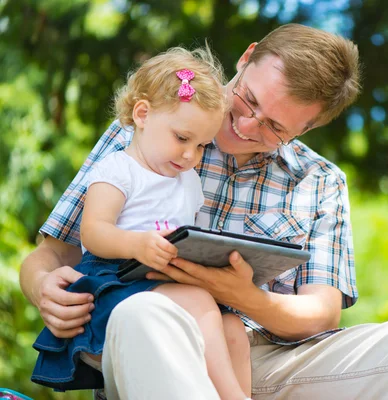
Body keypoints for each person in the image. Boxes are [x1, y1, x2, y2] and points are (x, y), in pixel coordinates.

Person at [21, 23, 388, 399]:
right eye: (247, 99)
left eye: (274, 126)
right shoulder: (150, 132)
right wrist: (43, 288)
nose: (245, 125)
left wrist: (243, 297)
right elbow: (51, 253)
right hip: (162, 351)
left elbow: (321, 312)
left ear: (306, 130)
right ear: (246, 57)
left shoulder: (321, 181)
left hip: (278, 362)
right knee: (146, 310)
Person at [28, 46, 252, 400]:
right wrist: (137, 244)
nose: (189, 155)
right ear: (143, 114)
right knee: (199, 302)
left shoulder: (188, 181)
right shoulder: (117, 169)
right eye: (182, 138)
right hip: (116, 280)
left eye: (201, 146)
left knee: (232, 325)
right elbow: (94, 232)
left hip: (166, 280)